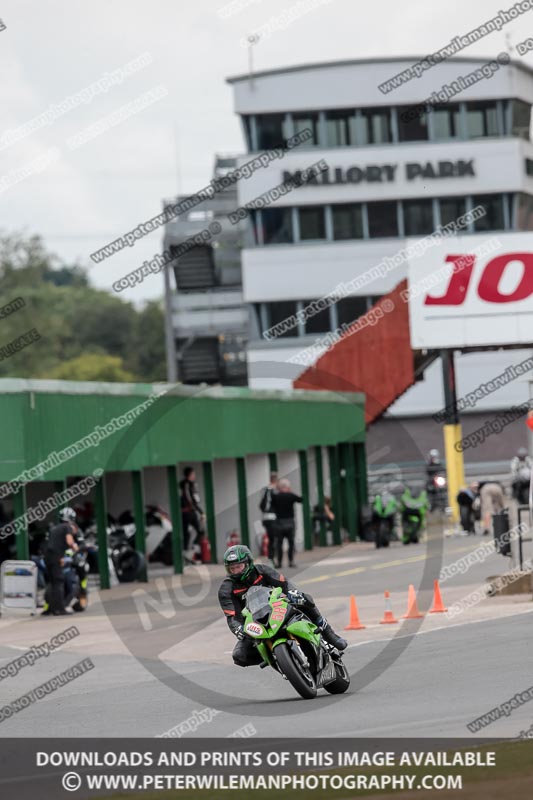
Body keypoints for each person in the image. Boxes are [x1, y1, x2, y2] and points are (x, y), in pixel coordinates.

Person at [219, 544, 347, 667]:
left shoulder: (261, 570)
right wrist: (238, 629)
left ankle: (329, 635)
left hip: (276, 607)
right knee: (239, 656)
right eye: (232, 568)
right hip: (254, 624)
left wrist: (292, 593)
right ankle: (275, 658)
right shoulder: (226, 589)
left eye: (239, 567)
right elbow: (231, 617)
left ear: (248, 563)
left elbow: (284, 583)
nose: (235, 571)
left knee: (304, 599)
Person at [43, 507, 79, 616]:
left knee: (52, 582)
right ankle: (60, 609)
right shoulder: (67, 527)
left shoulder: (54, 528)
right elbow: (69, 541)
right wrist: (75, 546)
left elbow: (52, 543)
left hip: (48, 557)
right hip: (55, 556)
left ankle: (50, 608)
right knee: (59, 582)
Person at [270, 478, 302, 569]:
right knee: (291, 543)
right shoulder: (291, 495)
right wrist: (290, 492)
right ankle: (291, 561)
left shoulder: (276, 496)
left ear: (279, 488)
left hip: (279, 523)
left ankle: (279, 562)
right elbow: (300, 499)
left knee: (279, 543)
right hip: (290, 522)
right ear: (288, 487)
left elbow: (271, 505)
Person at [179, 467, 205, 563]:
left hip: (188, 512)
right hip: (188, 512)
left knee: (188, 533)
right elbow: (190, 499)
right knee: (200, 531)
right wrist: (201, 512)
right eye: (193, 474)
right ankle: (189, 552)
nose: (194, 476)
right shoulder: (187, 485)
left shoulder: (190, 484)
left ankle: (188, 552)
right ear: (189, 475)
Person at [259, 472, 278, 564]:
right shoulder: (274, 491)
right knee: (275, 539)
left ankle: (271, 558)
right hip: (273, 518)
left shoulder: (265, 490)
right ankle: (273, 558)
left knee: (271, 538)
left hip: (265, 518)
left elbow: (261, 505)